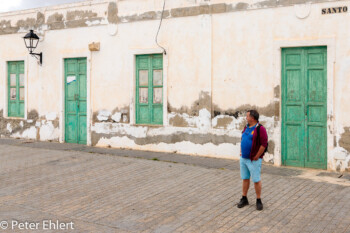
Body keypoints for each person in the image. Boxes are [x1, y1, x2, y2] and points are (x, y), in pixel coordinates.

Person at [237, 110, 268, 211]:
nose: (246, 118)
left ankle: (258, 200)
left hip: (253, 160)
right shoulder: (246, 127)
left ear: (253, 118)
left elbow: (264, 144)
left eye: (247, 116)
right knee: (245, 178)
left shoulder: (260, 129)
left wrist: (257, 156)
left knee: (256, 179)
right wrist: (241, 151)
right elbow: (243, 139)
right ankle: (244, 198)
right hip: (244, 158)